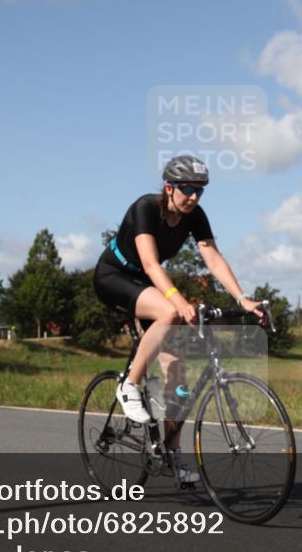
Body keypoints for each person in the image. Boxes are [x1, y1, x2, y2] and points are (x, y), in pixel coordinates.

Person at [93, 155, 263, 482]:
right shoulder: (145, 208)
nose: (194, 197)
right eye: (187, 189)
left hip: (146, 285)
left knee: (177, 374)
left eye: (200, 191)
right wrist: (179, 300)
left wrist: (242, 298)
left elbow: (212, 257)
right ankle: (128, 387)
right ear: (169, 187)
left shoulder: (194, 216)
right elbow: (151, 263)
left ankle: (171, 453)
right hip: (113, 277)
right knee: (170, 312)